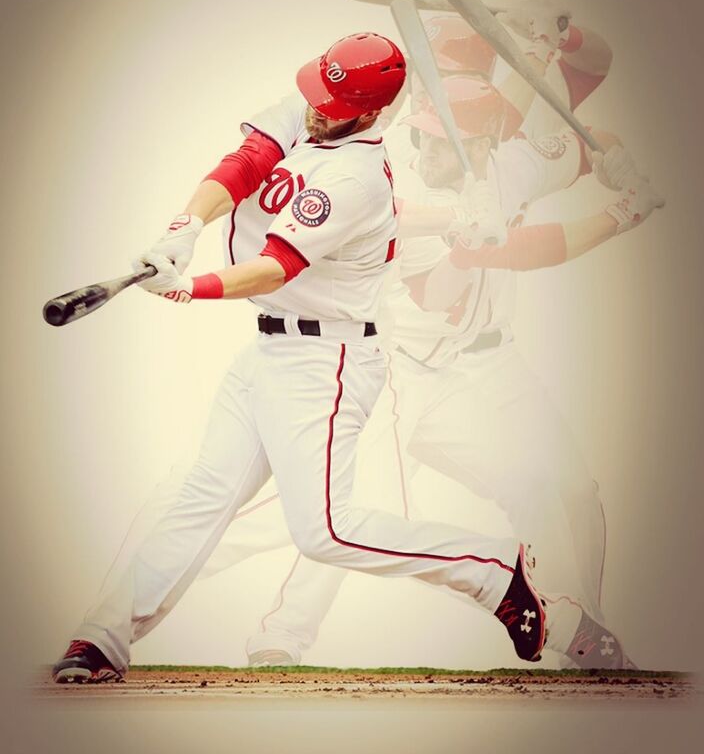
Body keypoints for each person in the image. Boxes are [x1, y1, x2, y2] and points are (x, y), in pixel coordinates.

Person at [52, 33, 557, 683]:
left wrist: (189, 287)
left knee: (325, 532)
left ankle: (492, 571)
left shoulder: (356, 180)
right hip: (267, 348)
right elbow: (248, 159)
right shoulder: (315, 103)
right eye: (320, 89)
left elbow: (274, 269)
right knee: (199, 495)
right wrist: (187, 225)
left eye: (335, 102)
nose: (316, 108)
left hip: (329, 363)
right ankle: (103, 640)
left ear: (372, 114)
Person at [236, 76, 662, 669]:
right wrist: (475, 241)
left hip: (494, 362)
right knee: (347, 512)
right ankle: (282, 635)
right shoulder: (393, 189)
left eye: (444, 141)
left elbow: (589, 136)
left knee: (566, 490)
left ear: (486, 136)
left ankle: (582, 635)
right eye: (424, 137)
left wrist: (614, 162)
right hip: (403, 372)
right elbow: (436, 295)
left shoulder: (516, 164)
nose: (427, 152)